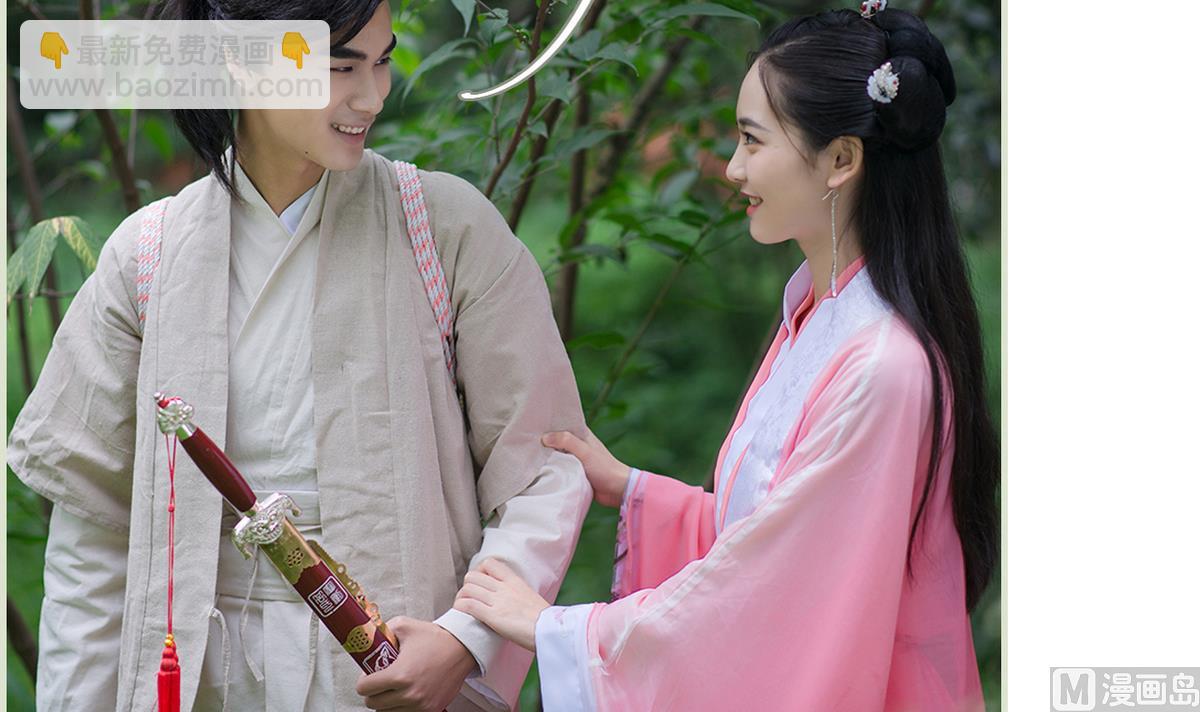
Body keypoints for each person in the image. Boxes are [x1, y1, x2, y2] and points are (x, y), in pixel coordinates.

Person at [6, 1, 592, 711]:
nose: (372, 96)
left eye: (382, 61)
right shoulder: (146, 257)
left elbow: (543, 470)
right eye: (341, 67)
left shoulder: (445, 229)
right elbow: (93, 540)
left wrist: (466, 636)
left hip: (397, 657)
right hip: (206, 673)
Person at [451, 7, 999, 711]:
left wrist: (559, 632)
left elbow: (776, 587)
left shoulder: (881, 366)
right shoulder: (819, 316)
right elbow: (779, 537)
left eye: (751, 139)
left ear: (841, 160)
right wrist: (633, 488)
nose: (734, 169)